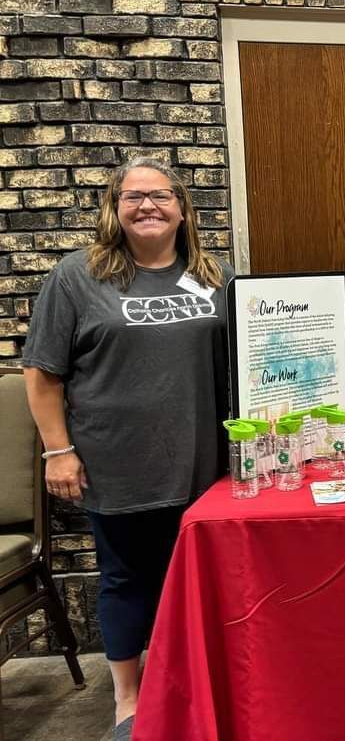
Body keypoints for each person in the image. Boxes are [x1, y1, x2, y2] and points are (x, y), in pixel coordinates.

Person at [21, 157, 233, 741]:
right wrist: (56, 452)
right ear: (114, 209)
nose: (148, 206)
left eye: (160, 196)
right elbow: (42, 373)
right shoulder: (79, 276)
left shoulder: (217, 275)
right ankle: (129, 697)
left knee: (193, 579)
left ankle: (190, 688)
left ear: (183, 208)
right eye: (133, 197)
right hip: (118, 460)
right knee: (125, 578)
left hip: (205, 461)